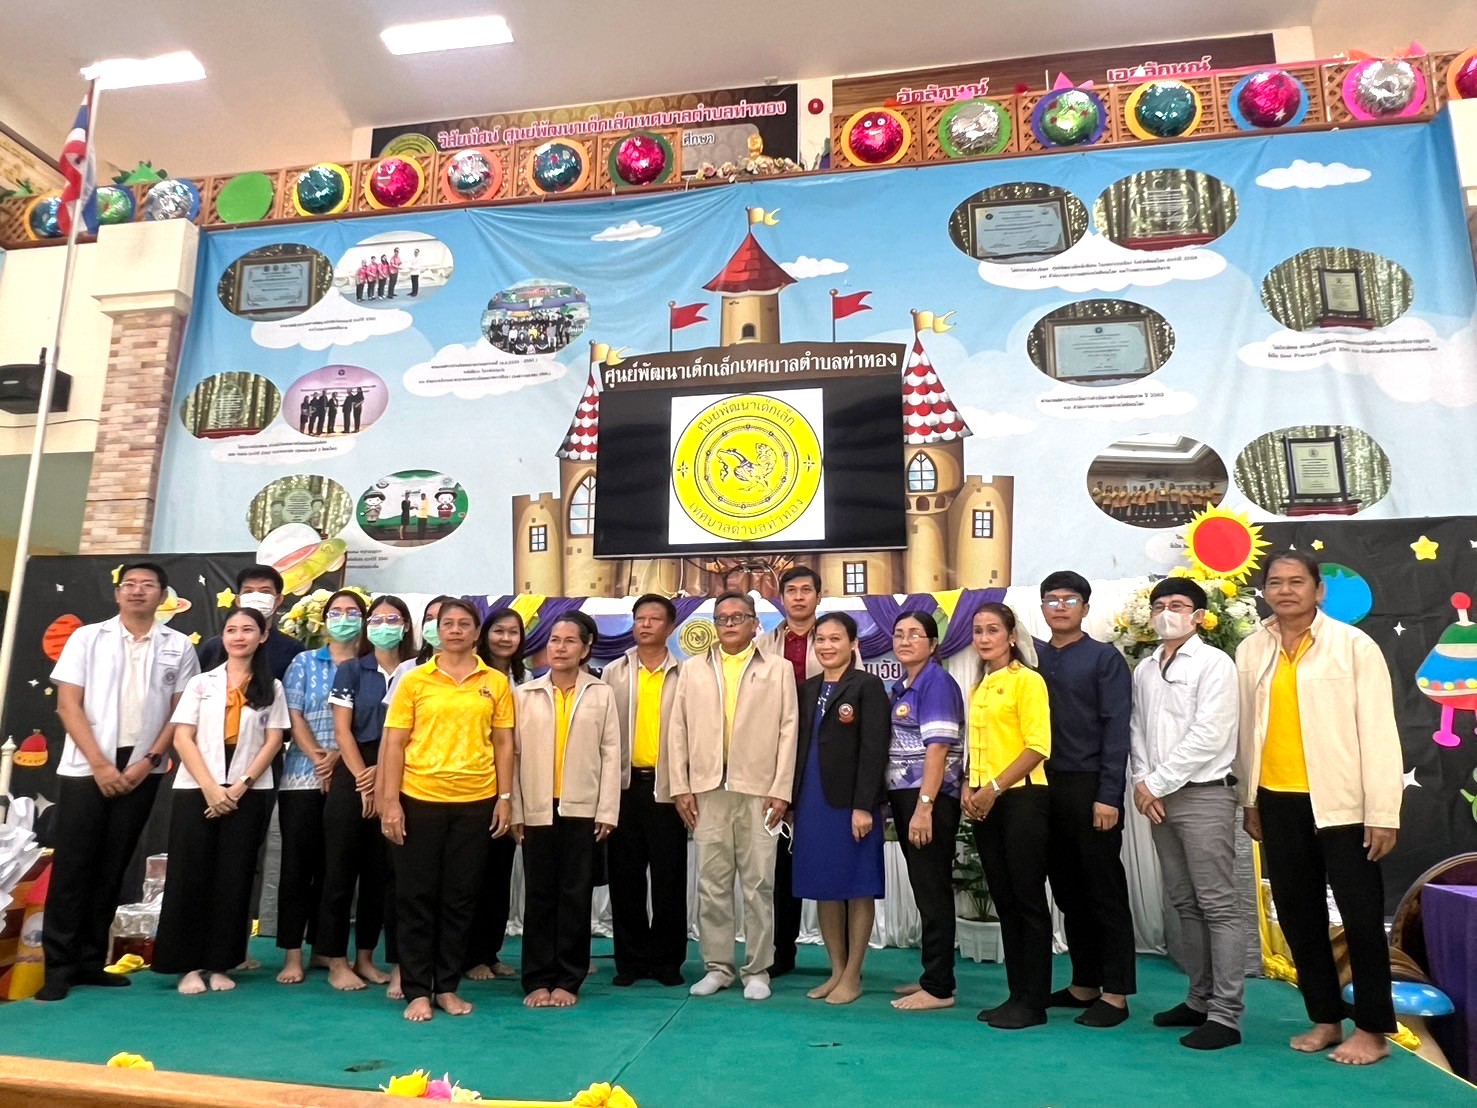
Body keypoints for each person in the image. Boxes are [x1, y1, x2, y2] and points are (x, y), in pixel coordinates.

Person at [1237, 550, 1403, 1065]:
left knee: (1360, 918)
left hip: (1343, 804)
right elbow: (1246, 732)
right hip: (1277, 800)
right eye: (1276, 582)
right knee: (1298, 916)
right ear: (1265, 590)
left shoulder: (1354, 646)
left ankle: (1372, 1030)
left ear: (1318, 589)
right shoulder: (1251, 649)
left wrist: (1383, 812)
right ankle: (1325, 1018)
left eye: (1297, 581)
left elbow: (1379, 732)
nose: (1286, 591)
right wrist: (1249, 798)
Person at [38, 562, 201, 1002]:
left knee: (114, 863)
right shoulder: (88, 638)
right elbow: (68, 705)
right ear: (117, 593)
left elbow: (179, 712)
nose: (137, 591)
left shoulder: (177, 645)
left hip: (142, 766)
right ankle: (59, 967)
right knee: (74, 866)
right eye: (129, 584)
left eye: (148, 585)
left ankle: (91, 961)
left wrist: (150, 760)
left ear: (162, 596)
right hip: (88, 765)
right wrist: (100, 764)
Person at [380, 598, 515, 1022]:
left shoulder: (494, 682)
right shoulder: (415, 681)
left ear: (476, 633)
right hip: (419, 798)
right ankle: (418, 990)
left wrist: (505, 798)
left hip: (476, 801)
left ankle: (448, 987)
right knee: (416, 897)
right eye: (447, 623)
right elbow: (394, 743)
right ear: (435, 632)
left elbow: (504, 742)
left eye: (463, 624)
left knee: (460, 897)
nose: (455, 630)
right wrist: (390, 802)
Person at [1130, 578, 1243, 1050]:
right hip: (1158, 799)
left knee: (1218, 904)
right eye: (1159, 605)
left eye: (1177, 605)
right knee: (1184, 902)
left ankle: (1227, 1014)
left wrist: (1155, 783)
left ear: (1198, 616)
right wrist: (1143, 782)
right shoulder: (1145, 668)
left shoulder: (1215, 663)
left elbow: (1210, 734)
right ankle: (1198, 999)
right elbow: (1137, 729)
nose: (1166, 613)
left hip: (1204, 795)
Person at [152, 606, 289, 994]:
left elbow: (274, 741)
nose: (239, 636)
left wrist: (240, 786)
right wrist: (211, 788)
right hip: (197, 787)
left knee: (235, 876)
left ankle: (220, 963)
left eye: (248, 630)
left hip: (248, 790)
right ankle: (187, 965)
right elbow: (182, 738)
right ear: (223, 636)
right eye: (232, 630)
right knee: (190, 874)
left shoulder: (271, 687)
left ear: (263, 636)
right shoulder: (201, 683)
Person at [668, 591, 797, 1001]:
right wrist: (681, 786)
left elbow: (789, 730)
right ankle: (718, 967)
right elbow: (677, 730)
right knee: (712, 884)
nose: (729, 624)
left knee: (759, 885)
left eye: (738, 617)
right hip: (708, 791)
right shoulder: (692, 669)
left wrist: (781, 790)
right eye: (722, 618)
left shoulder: (778, 669)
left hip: (759, 791)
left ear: (755, 623)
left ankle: (758, 970)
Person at [1034, 570, 1136, 1027]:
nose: (1060, 607)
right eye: (1052, 599)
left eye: (1069, 600)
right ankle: (1084, 983)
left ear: (1086, 608)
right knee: (1067, 888)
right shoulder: (1033, 657)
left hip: (1091, 785)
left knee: (1103, 889)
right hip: (1045, 785)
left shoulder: (1103, 658)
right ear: (1041, 608)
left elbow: (1117, 729)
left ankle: (1116, 994)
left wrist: (1109, 795)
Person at [510, 614, 620, 1008]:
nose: (559, 647)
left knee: (576, 895)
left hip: (583, 808)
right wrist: (516, 809)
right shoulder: (525, 694)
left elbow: (611, 753)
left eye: (569, 641)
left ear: (585, 649)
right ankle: (537, 978)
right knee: (539, 895)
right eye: (554, 640)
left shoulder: (601, 693)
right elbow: (514, 756)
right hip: (536, 808)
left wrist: (607, 809)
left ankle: (569, 979)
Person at [318, 595, 415, 992]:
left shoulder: (415, 671)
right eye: (376, 619)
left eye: (393, 619)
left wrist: (385, 774)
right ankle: (336, 960)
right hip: (354, 771)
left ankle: (367, 957)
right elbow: (342, 731)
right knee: (340, 869)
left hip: (399, 771)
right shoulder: (353, 670)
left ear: (406, 626)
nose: (383, 626)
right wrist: (363, 779)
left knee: (384, 872)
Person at [964, 602, 1053, 1029]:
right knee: (1004, 898)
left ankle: (1034, 1002)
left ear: (1012, 636)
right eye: (978, 630)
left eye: (993, 630)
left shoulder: (1028, 681)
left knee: (1027, 898)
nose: (984, 638)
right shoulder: (980, 685)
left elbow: (1038, 747)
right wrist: (970, 785)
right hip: (987, 801)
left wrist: (993, 788)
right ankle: (1017, 994)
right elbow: (977, 748)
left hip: (1022, 799)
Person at [793, 612, 887, 1005]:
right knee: (824, 887)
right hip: (812, 801)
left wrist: (864, 806)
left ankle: (853, 975)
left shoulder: (867, 686)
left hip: (851, 805)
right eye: (821, 639)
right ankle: (835, 970)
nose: (827, 646)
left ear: (853, 644)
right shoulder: (807, 688)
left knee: (857, 887)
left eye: (836, 638)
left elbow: (874, 749)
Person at [273, 590, 365, 985]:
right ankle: (292, 954)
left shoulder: (368, 666)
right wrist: (318, 756)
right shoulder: (304, 661)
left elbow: (369, 724)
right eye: (336, 612)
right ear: (325, 620)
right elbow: (292, 713)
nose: (344, 618)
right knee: (298, 866)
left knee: (337, 870)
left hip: (350, 777)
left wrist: (339, 760)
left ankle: (328, 951)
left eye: (352, 612)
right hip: (302, 775)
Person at [603, 594, 687, 987]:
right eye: (640, 618)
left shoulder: (686, 674)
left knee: (669, 877)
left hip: (668, 788)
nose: (646, 625)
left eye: (654, 619)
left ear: (670, 627)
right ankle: (631, 962)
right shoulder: (614, 673)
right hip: (624, 787)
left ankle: (668, 961)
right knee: (626, 878)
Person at [887, 611, 965, 1012]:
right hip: (909, 796)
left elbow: (938, 749)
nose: (905, 641)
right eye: (899, 634)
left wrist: (924, 807)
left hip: (929, 798)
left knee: (932, 889)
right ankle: (931, 974)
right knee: (924, 887)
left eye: (915, 634)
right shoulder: (904, 685)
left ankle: (939, 987)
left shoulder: (937, 682)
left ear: (933, 644)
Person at [757, 564, 823, 977]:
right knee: (778, 861)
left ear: (818, 596)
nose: (798, 597)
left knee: (822, 855)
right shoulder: (764, 643)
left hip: (821, 758)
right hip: (774, 758)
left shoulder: (834, 638)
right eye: (791, 591)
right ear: (781, 598)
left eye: (806, 590)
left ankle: (844, 959)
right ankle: (781, 949)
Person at [465, 607, 528, 982]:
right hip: (475, 783)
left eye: (513, 632)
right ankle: (469, 955)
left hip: (511, 787)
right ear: (484, 634)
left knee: (499, 874)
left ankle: (490, 952)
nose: (506, 638)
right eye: (499, 631)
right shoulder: (473, 675)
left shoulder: (526, 678)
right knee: (472, 873)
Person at [197, 565, 306, 680]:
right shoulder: (213, 648)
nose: (256, 597)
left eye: (265, 591)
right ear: (238, 600)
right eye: (248, 591)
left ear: (278, 600)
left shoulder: (294, 650)